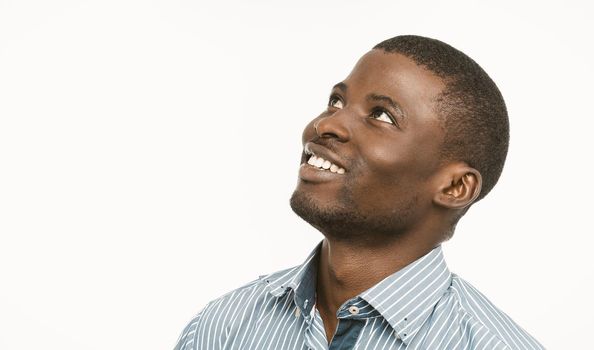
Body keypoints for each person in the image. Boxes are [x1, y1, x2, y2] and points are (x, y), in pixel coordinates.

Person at [174, 35, 545, 350]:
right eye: (336, 101)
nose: (326, 124)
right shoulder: (223, 328)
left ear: (454, 186)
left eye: (381, 115)